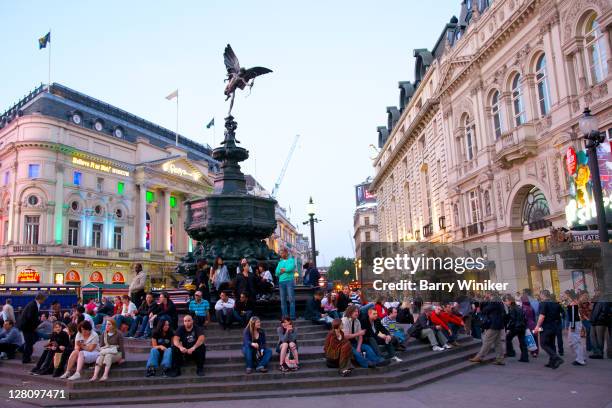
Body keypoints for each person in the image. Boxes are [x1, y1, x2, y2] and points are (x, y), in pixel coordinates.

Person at [469, 295, 506, 365]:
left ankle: (479, 357)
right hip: (499, 325)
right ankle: (500, 359)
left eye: (490, 295)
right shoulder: (500, 303)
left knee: (487, 341)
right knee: (498, 343)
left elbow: (485, 310)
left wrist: (482, 304)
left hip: (493, 325)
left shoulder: (494, 303)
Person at [534, 290, 564, 369]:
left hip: (546, 326)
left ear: (543, 295)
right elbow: (561, 313)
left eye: (540, 295)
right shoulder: (555, 303)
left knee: (543, 343)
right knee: (551, 344)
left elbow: (542, 316)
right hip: (555, 326)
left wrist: (537, 326)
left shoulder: (543, 303)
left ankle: (556, 357)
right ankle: (552, 362)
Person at [17, 292, 46, 364]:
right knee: (29, 342)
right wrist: (38, 322)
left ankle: (20, 349)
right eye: (44, 299)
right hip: (27, 327)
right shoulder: (33, 305)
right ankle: (26, 359)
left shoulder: (33, 304)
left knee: (34, 338)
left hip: (28, 326)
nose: (44, 301)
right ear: (41, 299)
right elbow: (30, 317)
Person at [503, 294, 528, 363]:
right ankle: (525, 357)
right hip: (522, 326)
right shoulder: (518, 307)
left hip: (516, 327)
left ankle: (511, 352)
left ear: (509, 301)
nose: (505, 303)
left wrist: (508, 328)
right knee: (522, 341)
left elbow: (512, 320)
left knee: (508, 338)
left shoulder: (512, 308)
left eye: (505, 301)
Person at [565, 290, 586, 366]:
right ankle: (581, 357)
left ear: (568, 295)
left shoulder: (573, 303)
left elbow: (573, 316)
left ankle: (580, 359)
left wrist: (572, 326)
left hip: (575, 323)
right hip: (576, 323)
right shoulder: (574, 302)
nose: (563, 296)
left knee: (575, 341)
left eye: (565, 295)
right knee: (575, 341)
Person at [275, 248, 296, 320]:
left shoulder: (291, 260)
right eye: (280, 253)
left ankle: (292, 316)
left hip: (289, 281)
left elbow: (291, 268)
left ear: (286, 253)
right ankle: (285, 316)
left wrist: (284, 270)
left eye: (282, 253)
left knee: (291, 299)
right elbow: (276, 273)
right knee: (283, 300)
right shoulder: (279, 262)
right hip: (281, 282)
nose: (281, 254)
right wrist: (284, 270)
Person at [589, 295, 611, 359]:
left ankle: (599, 353)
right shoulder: (598, 301)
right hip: (595, 321)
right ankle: (597, 352)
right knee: (593, 337)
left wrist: (599, 319)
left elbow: (604, 312)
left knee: (599, 338)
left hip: (599, 322)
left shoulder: (603, 300)